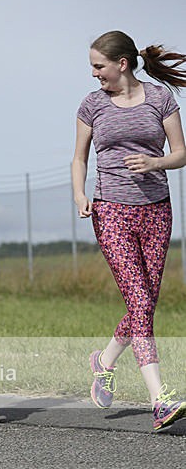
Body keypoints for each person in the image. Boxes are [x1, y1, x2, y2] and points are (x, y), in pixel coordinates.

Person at [72, 30, 186, 432]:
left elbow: (181, 153)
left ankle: (103, 362)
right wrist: (79, 195)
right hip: (111, 211)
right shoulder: (92, 105)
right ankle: (160, 399)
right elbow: (79, 159)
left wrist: (155, 164)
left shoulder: (159, 98)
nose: (93, 74)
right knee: (140, 300)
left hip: (156, 211)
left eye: (98, 66)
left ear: (122, 64)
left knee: (145, 304)